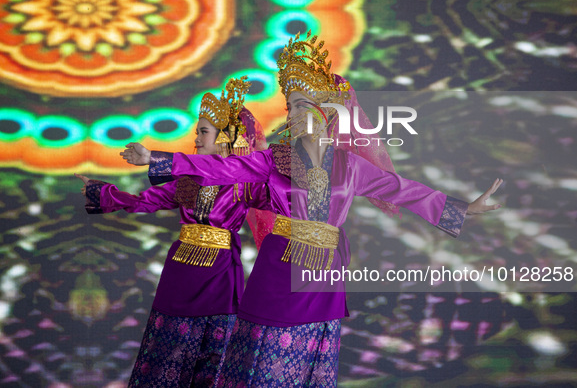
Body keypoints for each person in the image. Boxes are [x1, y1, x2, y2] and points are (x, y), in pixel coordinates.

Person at [121, 31, 503, 387]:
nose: (292, 113)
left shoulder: (350, 166)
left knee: (309, 362)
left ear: (325, 113)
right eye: (289, 106)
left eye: (301, 105)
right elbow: (222, 166)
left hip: (323, 276)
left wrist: (465, 209)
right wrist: (158, 158)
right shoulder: (274, 160)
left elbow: (405, 190)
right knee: (260, 358)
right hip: (279, 269)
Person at [76, 77, 271, 387]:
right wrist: (101, 193)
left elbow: (279, 196)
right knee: (171, 347)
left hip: (220, 273)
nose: (196, 139)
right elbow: (143, 201)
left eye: (203, 133)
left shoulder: (244, 183)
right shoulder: (188, 181)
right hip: (181, 269)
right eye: (196, 133)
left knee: (216, 350)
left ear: (225, 138)